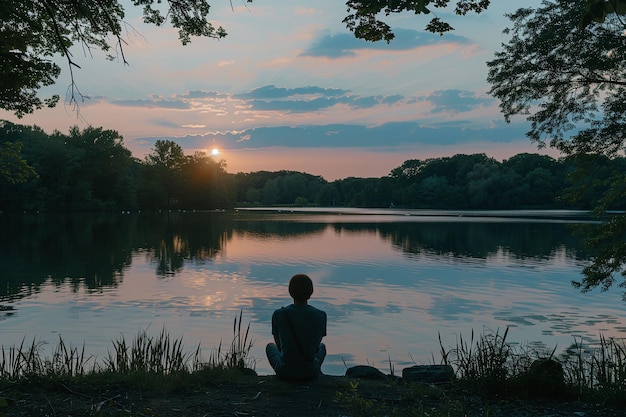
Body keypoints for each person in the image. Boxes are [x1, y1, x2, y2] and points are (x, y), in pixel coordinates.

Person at [266, 273, 327, 380]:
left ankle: (290, 368)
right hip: (311, 372)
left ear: (290, 292)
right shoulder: (321, 315)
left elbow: (279, 345)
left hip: (284, 371)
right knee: (322, 347)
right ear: (311, 293)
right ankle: (309, 369)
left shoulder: (279, 314)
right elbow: (316, 346)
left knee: (270, 346)